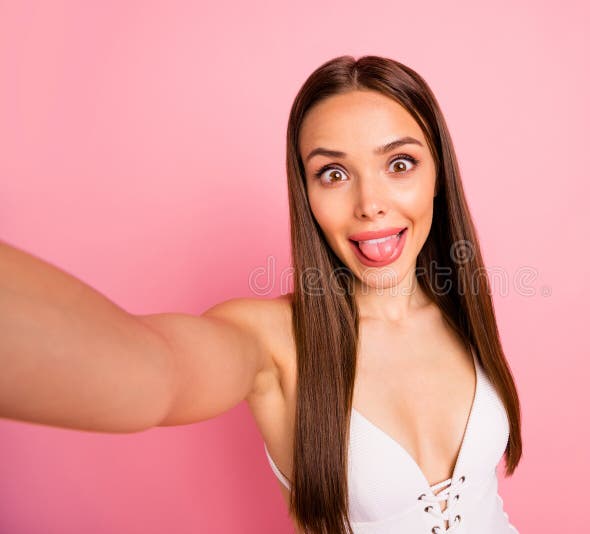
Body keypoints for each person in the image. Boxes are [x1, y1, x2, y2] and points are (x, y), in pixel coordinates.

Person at [0, 55, 522, 533]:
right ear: (306, 194)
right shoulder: (272, 342)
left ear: (438, 176)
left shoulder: (462, 306)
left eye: (399, 164)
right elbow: (154, 371)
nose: (370, 203)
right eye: (333, 174)